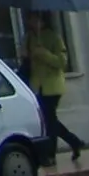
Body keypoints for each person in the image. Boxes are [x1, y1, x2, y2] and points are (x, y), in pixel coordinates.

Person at [27, 14, 84, 164]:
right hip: (37, 86)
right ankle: (74, 141)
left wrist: (44, 54)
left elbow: (61, 62)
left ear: (41, 20)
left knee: (49, 120)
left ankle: (50, 155)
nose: (31, 22)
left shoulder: (53, 37)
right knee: (48, 120)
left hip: (52, 86)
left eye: (34, 19)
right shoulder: (29, 38)